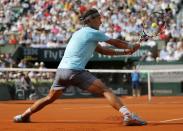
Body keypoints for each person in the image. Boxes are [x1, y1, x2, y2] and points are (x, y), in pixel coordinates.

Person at [13, 8, 147, 126]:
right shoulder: (92, 32)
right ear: (92, 20)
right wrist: (130, 46)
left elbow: (104, 51)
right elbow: (115, 42)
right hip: (75, 71)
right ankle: (128, 115)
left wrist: (125, 52)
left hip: (61, 72)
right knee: (106, 90)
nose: (101, 22)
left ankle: (23, 116)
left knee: (49, 98)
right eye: (99, 19)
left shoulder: (79, 33)